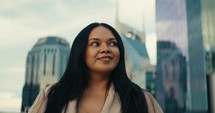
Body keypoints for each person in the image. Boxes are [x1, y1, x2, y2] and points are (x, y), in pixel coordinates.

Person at [28, 22, 163, 113]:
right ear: (80, 51)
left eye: (112, 44)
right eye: (95, 44)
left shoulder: (141, 99)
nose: (105, 49)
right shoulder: (51, 97)